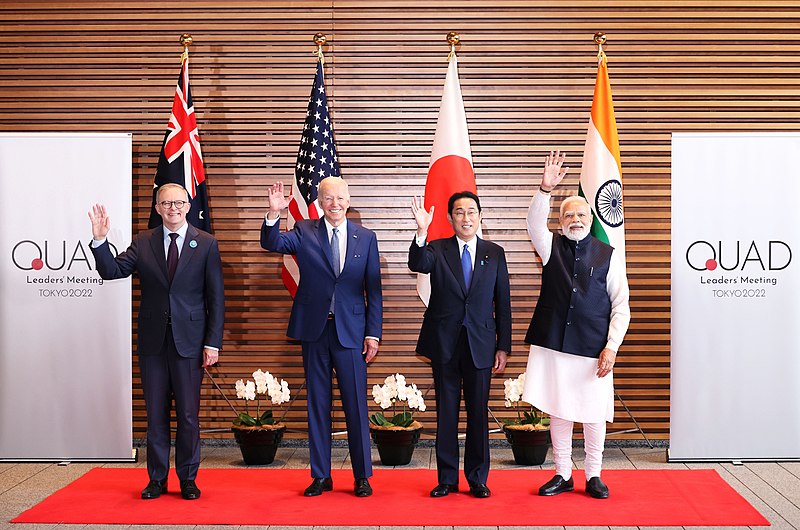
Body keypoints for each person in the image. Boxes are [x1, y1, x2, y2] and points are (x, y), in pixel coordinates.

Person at [88, 183, 225, 501]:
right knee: (156, 416)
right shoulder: (143, 241)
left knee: (188, 416)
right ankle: (157, 479)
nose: (173, 208)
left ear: (188, 206)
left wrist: (213, 343)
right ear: (157, 208)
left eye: (178, 203)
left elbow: (216, 298)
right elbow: (112, 271)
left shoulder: (206, 243)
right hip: (153, 345)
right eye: (166, 203)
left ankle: (188, 479)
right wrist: (100, 240)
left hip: (190, 344)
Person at [260, 177, 382, 498]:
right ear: (319, 202)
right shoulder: (304, 231)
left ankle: (362, 476)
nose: (335, 204)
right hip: (315, 331)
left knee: (356, 406)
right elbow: (272, 243)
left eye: (340, 198)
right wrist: (273, 214)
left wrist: (373, 333)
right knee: (317, 404)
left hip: (351, 333)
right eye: (328, 198)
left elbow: (374, 291)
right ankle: (320, 475)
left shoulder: (366, 237)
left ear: (348, 200)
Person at [522, 150, 630, 499]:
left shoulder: (607, 254)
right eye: (568, 214)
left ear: (590, 218)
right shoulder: (550, 246)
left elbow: (621, 305)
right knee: (559, 409)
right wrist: (545, 189)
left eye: (581, 214)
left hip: (593, 347)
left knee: (593, 412)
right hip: (555, 344)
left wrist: (611, 347)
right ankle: (563, 473)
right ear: (561, 220)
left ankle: (594, 474)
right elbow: (533, 224)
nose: (575, 219)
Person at [408, 191, 511, 499]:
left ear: (480, 216)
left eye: (471, 212)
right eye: (459, 212)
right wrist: (421, 231)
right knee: (447, 414)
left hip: (481, 344)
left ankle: (477, 478)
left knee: (478, 414)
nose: (466, 218)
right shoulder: (437, 249)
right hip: (445, 344)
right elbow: (417, 262)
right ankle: (447, 479)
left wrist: (503, 345)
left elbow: (502, 302)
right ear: (450, 217)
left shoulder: (495, 253)